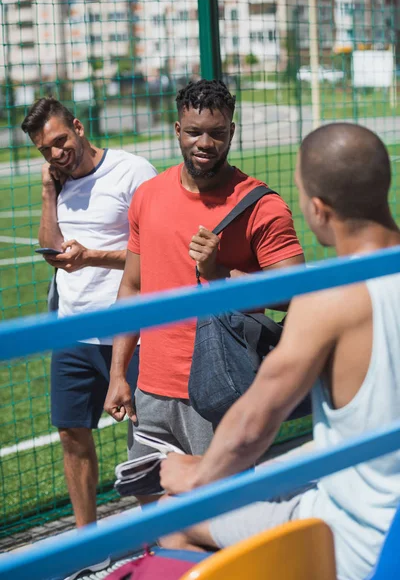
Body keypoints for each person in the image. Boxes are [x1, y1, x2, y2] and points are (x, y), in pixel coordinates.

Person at [159, 123, 400, 580]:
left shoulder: (330, 296)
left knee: (174, 518)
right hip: (381, 513)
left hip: (359, 536)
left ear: (318, 208)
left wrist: (196, 476)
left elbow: (254, 423)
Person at [105, 80, 304, 504]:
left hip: (220, 389)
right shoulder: (148, 196)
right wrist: (119, 372)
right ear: (177, 130)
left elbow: (294, 293)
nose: (205, 143)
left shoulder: (260, 204)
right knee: (153, 512)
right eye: (195, 132)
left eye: (217, 133)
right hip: (149, 390)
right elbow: (133, 286)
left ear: (232, 132)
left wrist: (219, 273)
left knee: (223, 516)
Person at [21, 98, 157, 531]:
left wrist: (93, 256)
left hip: (131, 328)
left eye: (61, 140)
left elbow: (154, 254)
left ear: (78, 127)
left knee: (148, 436)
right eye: (46, 149)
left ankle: (158, 532)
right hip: (74, 327)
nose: (57, 153)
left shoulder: (132, 171)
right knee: (71, 434)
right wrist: (48, 190)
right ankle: (87, 542)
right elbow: (51, 250)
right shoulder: (58, 182)